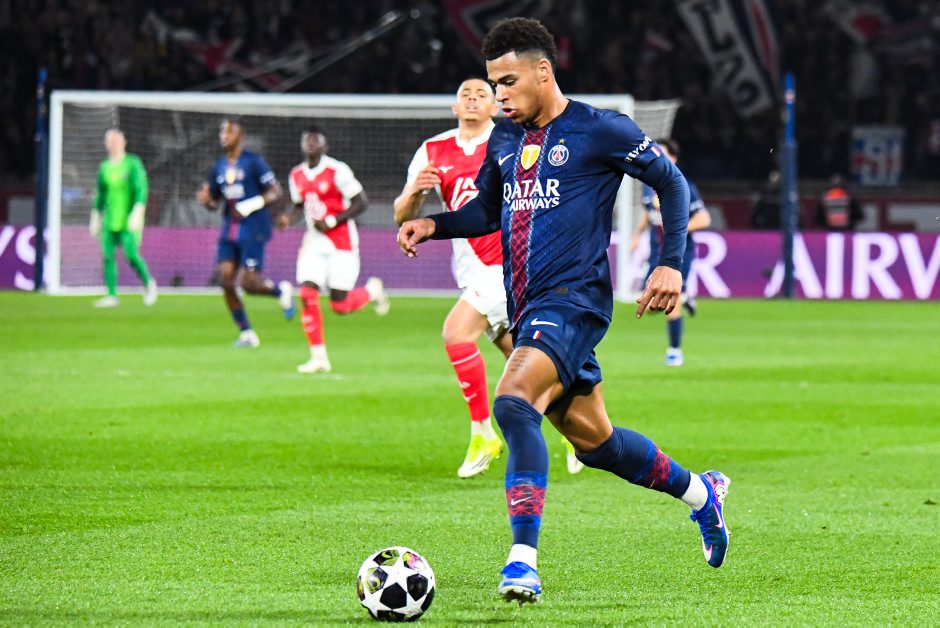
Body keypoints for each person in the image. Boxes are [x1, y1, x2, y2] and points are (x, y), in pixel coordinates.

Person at [397, 18, 731, 604]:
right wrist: (433, 224)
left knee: (512, 402)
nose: (499, 95)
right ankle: (703, 495)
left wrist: (671, 263)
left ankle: (522, 561)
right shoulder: (505, 138)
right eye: (493, 84)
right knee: (597, 444)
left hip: (574, 302)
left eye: (508, 82)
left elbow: (672, 184)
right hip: (530, 307)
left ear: (542, 71)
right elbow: (486, 213)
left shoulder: (600, 129)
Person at [394, 78, 582, 478]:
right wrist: (415, 193)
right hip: (470, 269)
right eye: (465, 94)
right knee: (526, 366)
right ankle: (578, 433)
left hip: (508, 264)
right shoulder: (433, 150)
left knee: (456, 332)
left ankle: (482, 433)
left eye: (483, 94)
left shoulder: (510, 140)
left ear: (495, 106)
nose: (473, 99)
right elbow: (401, 214)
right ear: (454, 106)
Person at [280, 126, 389, 373]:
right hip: (314, 241)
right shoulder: (296, 174)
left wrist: (331, 221)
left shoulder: (337, 170)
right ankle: (318, 357)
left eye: (315, 140)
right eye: (306, 140)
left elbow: (361, 201)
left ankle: (372, 291)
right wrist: (288, 218)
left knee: (339, 305)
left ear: (324, 146)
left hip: (341, 241)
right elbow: (299, 204)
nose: (310, 144)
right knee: (307, 293)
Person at [197, 119, 295, 347]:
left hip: (254, 229)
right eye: (222, 131)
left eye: (230, 131)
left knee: (249, 284)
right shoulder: (219, 167)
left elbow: (276, 191)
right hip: (229, 230)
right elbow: (214, 201)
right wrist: (207, 201)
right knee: (225, 280)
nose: (224, 135)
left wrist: (249, 205)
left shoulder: (254, 162)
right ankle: (247, 333)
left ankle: (280, 292)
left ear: (240, 135)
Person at [631, 138, 711, 366]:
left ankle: (675, 351)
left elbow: (704, 219)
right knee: (649, 304)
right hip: (655, 254)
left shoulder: (684, 186)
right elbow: (648, 211)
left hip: (678, 253)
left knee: (670, 299)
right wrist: (637, 234)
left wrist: (676, 228)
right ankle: (685, 297)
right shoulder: (648, 185)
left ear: (674, 159)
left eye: (663, 153)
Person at [89, 129, 158, 308]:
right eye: (110, 141)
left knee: (131, 255)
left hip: (128, 220)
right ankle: (112, 295)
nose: (113, 144)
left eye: (116, 140)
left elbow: (141, 188)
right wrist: (95, 216)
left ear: (124, 142)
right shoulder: (104, 167)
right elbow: (100, 194)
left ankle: (149, 283)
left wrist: (138, 211)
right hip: (109, 221)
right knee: (107, 256)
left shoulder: (132, 163)